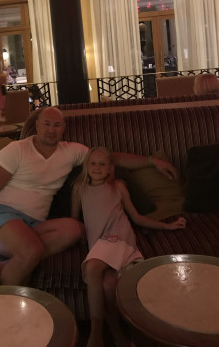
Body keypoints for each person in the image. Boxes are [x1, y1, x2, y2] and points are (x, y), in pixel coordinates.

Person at [0, 107, 178, 287]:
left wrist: (152, 161)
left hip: (35, 224)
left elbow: (110, 158)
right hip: (2, 216)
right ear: (37, 125)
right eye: (46, 124)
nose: (51, 130)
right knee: (31, 250)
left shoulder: (71, 152)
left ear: (63, 128)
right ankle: (5, 307)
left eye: (57, 125)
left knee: (75, 229)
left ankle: (2, 267)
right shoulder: (16, 150)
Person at [71, 146, 186, 347]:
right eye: (93, 163)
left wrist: (167, 226)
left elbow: (137, 217)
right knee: (108, 285)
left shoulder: (118, 187)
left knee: (92, 267)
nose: (97, 167)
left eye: (102, 164)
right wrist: (78, 236)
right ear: (86, 166)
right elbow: (74, 221)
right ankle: (117, 332)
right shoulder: (79, 189)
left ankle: (95, 336)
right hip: (98, 244)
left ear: (110, 168)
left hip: (118, 237)